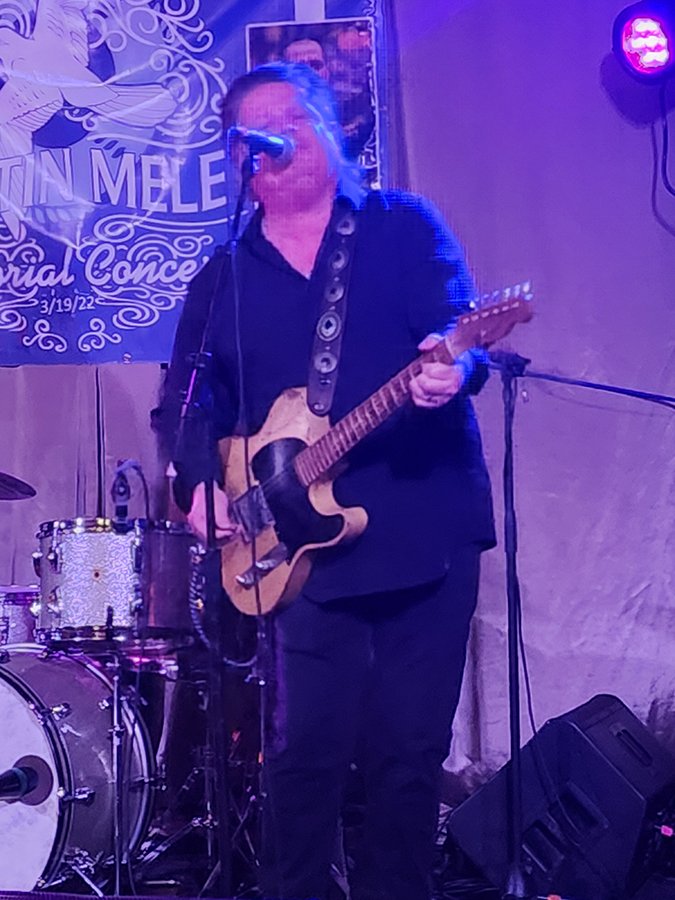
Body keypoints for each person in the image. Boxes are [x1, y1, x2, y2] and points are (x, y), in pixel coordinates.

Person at [153, 62, 495, 900]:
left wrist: (454, 370)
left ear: (332, 132)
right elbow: (188, 401)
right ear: (239, 157)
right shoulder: (225, 275)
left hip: (419, 525)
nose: (276, 136)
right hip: (296, 549)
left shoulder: (401, 226)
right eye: (255, 128)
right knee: (301, 755)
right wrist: (196, 486)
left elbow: (459, 335)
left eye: (293, 118)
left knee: (406, 756)